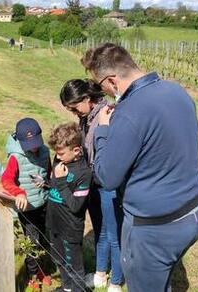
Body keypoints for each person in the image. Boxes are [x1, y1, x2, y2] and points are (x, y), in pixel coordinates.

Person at [81, 43, 198, 292]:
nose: (101, 91)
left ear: (113, 81)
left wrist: (104, 130)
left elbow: (107, 176)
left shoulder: (128, 113)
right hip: (193, 215)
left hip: (155, 230)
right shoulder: (176, 90)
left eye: (100, 85)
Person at [60, 79, 124, 291]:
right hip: (93, 182)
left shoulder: (108, 114)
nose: (74, 113)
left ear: (87, 99)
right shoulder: (86, 117)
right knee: (100, 230)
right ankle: (100, 273)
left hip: (108, 184)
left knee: (114, 234)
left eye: (75, 107)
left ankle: (116, 281)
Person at [0, 118, 51, 282]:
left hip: (44, 204)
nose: (34, 147)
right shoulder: (15, 158)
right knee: (32, 242)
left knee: (44, 239)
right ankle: (32, 276)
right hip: (28, 209)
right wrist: (19, 193)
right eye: (29, 144)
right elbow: (6, 180)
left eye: (36, 142)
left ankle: (40, 270)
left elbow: (49, 174)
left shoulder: (45, 152)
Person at [46, 122, 92, 292]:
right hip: (54, 223)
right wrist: (46, 184)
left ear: (76, 151)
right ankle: (67, 288)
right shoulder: (59, 162)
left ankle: (78, 289)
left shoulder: (84, 173)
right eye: (56, 153)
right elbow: (54, 185)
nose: (57, 157)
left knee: (74, 266)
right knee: (59, 259)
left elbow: (75, 206)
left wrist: (60, 181)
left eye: (61, 153)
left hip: (70, 228)